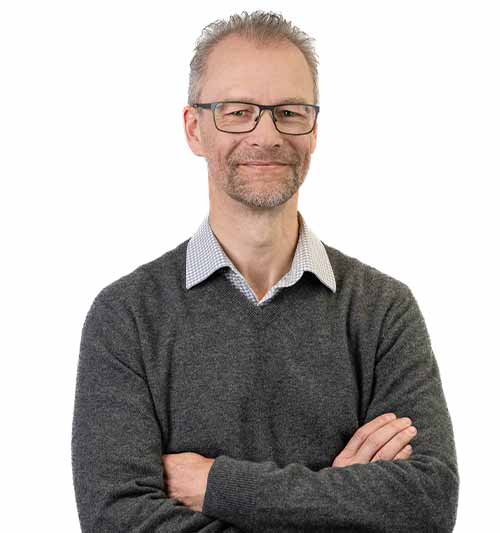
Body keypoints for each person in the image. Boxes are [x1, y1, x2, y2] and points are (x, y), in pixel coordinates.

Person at [71, 10, 459, 532]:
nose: (267, 134)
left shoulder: (383, 310)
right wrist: (339, 498)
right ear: (194, 129)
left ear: (313, 129)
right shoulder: (127, 316)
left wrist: (217, 484)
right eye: (238, 112)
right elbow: (117, 519)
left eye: (289, 112)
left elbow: (428, 504)